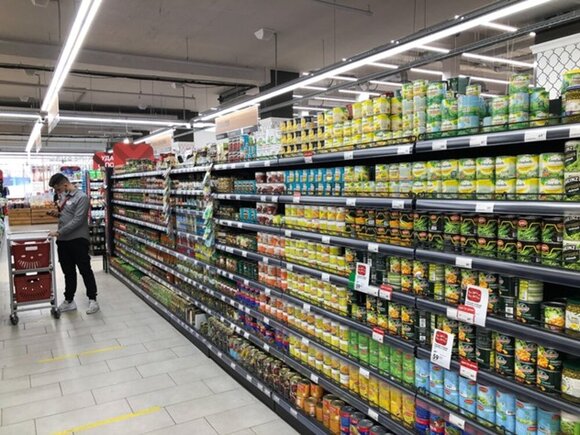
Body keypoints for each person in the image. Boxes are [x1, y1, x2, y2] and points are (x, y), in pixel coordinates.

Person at [48, 173, 99, 314]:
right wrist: (57, 214)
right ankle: (69, 300)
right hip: (63, 241)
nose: (57, 192)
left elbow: (78, 220)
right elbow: (67, 214)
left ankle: (93, 300)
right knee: (68, 272)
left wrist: (59, 232)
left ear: (65, 185)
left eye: (58, 189)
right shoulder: (64, 197)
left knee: (85, 270)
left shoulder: (82, 198)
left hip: (78, 240)